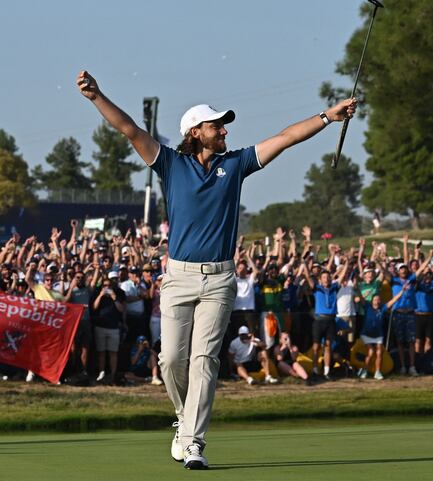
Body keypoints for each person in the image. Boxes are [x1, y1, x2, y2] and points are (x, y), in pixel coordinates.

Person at [77, 70, 356, 469]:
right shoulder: (170, 164)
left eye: (223, 125)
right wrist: (96, 96)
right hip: (178, 277)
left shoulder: (237, 163)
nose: (223, 130)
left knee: (204, 360)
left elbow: (286, 137)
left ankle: (194, 442)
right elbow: (129, 129)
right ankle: (184, 420)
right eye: (216, 125)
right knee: (171, 359)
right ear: (194, 131)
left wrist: (328, 116)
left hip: (220, 278)